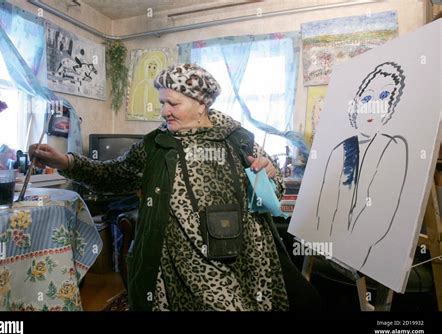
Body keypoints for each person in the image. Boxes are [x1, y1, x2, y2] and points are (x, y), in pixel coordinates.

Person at [29, 63, 319, 311]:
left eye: (173, 103)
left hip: (234, 259)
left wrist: (269, 175)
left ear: (201, 104)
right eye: (162, 103)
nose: (164, 112)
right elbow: (115, 174)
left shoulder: (238, 140)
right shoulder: (155, 145)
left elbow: (274, 191)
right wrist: (67, 162)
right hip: (174, 262)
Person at [316, 62, 407, 270]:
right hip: (332, 248)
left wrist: (350, 253)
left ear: (391, 106)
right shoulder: (341, 149)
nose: (373, 106)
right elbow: (323, 210)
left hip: (364, 257)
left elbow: (378, 217)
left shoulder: (392, 147)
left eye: (383, 97)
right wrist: (323, 242)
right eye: (367, 98)